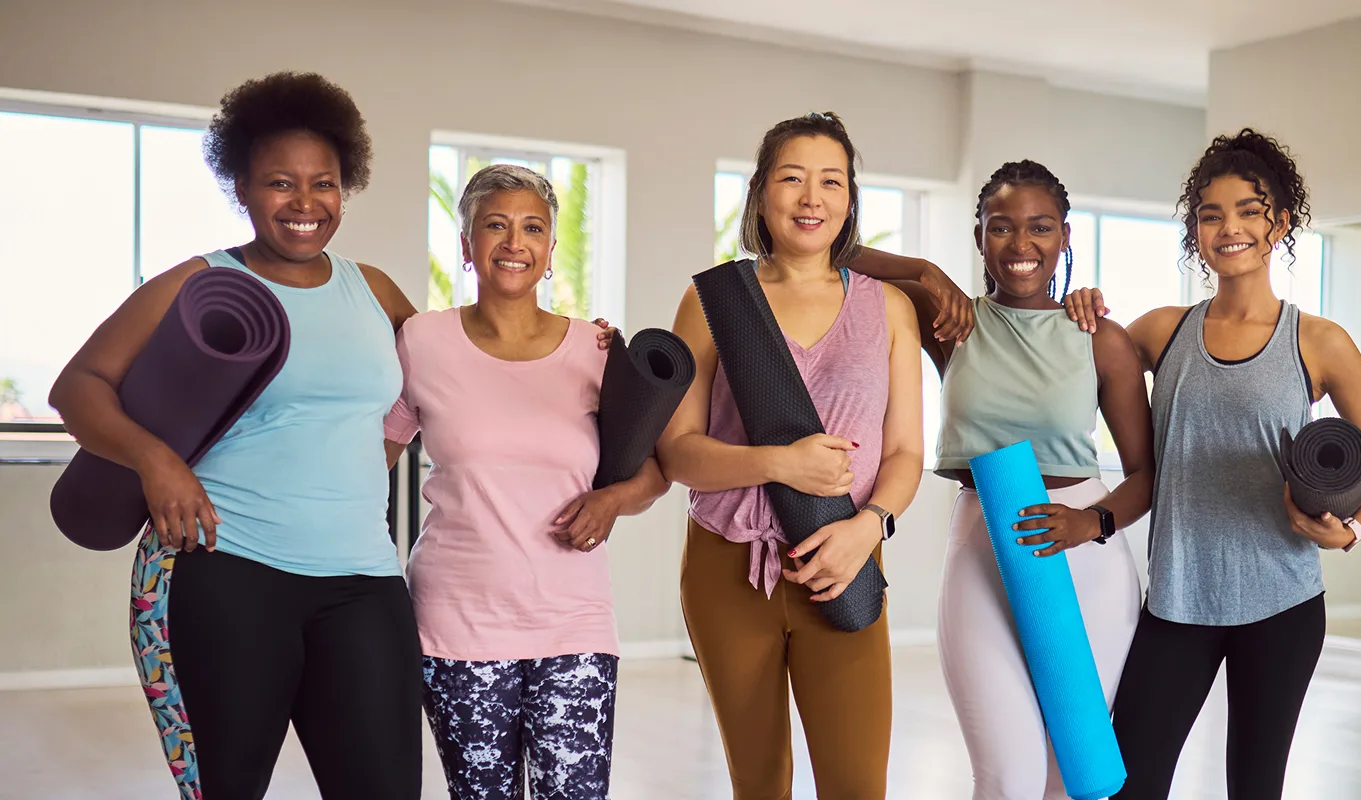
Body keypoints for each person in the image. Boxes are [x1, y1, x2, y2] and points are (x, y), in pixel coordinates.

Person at [50, 72, 424, 799]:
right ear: (241, 188)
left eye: (325, 183)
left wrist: (577, 346)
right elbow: (77, 387)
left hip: (364, 580)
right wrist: (157, 461)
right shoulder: (200, 282)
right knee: (229, 786)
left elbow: (456, 374)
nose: (306, 203)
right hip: (227, 570)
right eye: (280, 182)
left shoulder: (372, 289)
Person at [1063, 129, 1361, 799]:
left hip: (1281, 606)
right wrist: (1081, 307)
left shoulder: (1317, 341)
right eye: (1210, 214)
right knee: (1128, 782)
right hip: (1177, 600)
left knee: (1254, 787)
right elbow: (1079, 368)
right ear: (1196, 231)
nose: (1230, 228)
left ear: (1278, 222)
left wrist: (1352, 529)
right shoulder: (1163, 330)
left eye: (1249, 211)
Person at [848, 159, 1156, 800]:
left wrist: (1091, 523)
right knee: (1006, 775)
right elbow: (833, 252)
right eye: (1000, 228)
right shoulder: (952, 322)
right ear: (979, 236)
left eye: (1041, 228)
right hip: (983, 540)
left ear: (1065, 237)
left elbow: (1145, 474)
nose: (1021, 246)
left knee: (1071, 771)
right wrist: (926, 273)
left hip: (1086, 556)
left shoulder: (1099, 339)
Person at [655, 112, 924, 799]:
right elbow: (679, 452)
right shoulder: (714, 301)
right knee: (759, 782)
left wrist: (867, 529)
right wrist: (778, 464)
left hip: (843, 560)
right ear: (761, 193)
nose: (812, 198)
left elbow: (904, 453)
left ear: (850, 200)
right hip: (726, 570)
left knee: (857, 784)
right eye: (792, 178)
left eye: (831, 181)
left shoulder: (889, 308)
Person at [382, 163, 668, 800]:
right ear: (466, 245)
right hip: (456, 621)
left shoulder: (595, 350)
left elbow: (653, 472)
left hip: (575, 621)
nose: (515, 242)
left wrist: (612, 501)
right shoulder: (422, 342)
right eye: (495, 226)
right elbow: (374, 452)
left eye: (532, 227)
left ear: (550, 250)